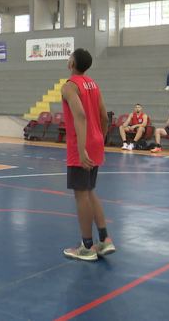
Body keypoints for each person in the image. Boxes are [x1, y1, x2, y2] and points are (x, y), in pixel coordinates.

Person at [61, 48, 115, 261]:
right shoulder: (93, 84)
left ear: (71, 63)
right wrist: (99, 138)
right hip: (96, 141)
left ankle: (86, 246)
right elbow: (104, 117)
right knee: (90, 191)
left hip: (80, 145)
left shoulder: (69, 86)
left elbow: (80, 115)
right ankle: (104, 240)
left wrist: (82, 148)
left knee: (81, 194)